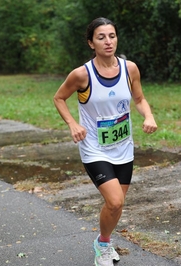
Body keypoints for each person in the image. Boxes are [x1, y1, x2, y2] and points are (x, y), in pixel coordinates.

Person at [53, 17, 157, 266]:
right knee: (115, 201)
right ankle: (103, 246)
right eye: (101, 37)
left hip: (123, 146)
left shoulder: (129, 69)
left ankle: (104, 240)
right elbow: (59, 98)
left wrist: (149, 115)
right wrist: (72, 124)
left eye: (112, 36)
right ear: (91, 43)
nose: (108, 41)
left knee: (116, 207)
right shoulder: (81, 74)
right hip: (94, 148)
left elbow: (139, 99)